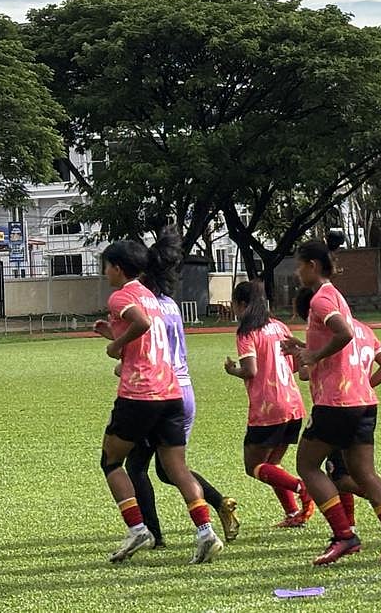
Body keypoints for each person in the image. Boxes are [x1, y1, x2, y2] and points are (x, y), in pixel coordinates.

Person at [282, 240, 381, 565]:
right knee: (364, 473)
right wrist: (305, 348)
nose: (297, 272)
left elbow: (343, 334)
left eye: (299, 265)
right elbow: (338, 340)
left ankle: (344, 535)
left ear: (312, 265)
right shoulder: (336, 296)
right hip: (362, 399)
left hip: (336, 401)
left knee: (307, 466)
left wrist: (313, 355)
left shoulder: (321, 299)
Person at [93, 240, 223, 564]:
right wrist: (114, 334)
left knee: (111, 461)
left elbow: (141, 324)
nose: (105, 272)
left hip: (140, 393)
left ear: (117, 267)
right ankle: (206, 532)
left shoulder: (121, 296)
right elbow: (147, 337)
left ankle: (138, 528)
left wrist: (114, 346)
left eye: (106, 266)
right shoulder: (153, 298)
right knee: (176, 468)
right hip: (171, 391)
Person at [125, 230, 239, 547]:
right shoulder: (172, 305)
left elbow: (149, 350)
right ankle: (219, 502)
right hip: (185, 390)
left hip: (161, 391)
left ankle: (154, 535)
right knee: (168, 468)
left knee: (136, 465)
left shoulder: (147, 307)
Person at [292, 289, 381, 540]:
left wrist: (303, 353)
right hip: (362, 403)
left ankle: (357, 526)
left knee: (332, 473)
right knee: (357, 472)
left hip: (336, 404)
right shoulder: (365, 330)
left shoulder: (326, 331)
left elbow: (306, 373)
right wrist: (364, 386)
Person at [223, 281, 313, 527]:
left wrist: (232, 370)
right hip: (293, 403)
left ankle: (302, 488)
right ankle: (292, 514)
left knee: (253, 465)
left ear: (242, 304)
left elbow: (250, 370)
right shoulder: (279, 326)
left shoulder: (247, 332)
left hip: (268, 407)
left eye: (234, 303)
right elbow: (295, 365)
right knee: (272, 465)